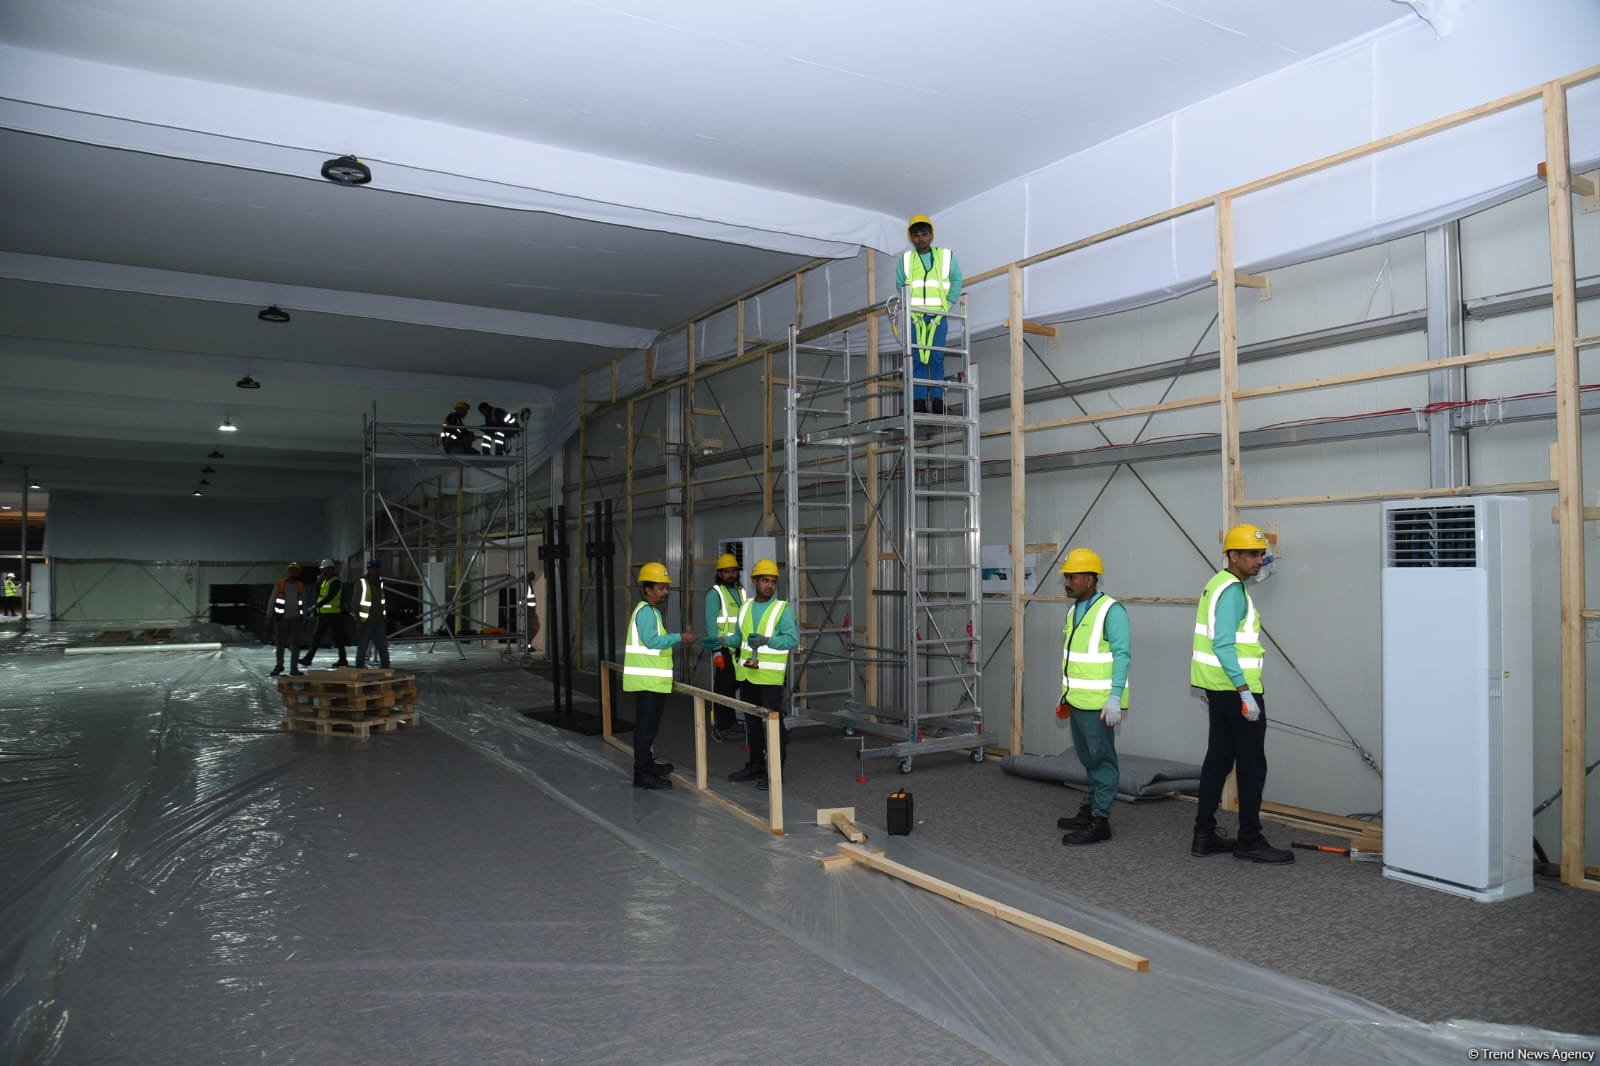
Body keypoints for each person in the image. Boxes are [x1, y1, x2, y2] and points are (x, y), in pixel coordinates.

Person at [1191, 523, 1292, 864]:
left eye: (1262, 554)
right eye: (1252, 554)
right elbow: (1223, 644)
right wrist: (1246, 693)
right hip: (1237, 691)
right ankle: (1249, 839)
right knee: (1251, 766)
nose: (1259, 560)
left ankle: (1204, 835)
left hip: (1219, 689)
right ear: (1233, 556)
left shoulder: (1218, 584)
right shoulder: (1233, 591)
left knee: (1218, 760)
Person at [1052, 548, 1130, 846]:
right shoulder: (1074, 611)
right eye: (1066, 577)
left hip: (1099, 705)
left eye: (1072, 577)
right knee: (1088, 759)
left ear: (1089, 579)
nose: (1067, 583)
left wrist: (1115, 699)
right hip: (1077, 701)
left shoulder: (1112, 611)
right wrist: (1065, 696)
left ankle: (1101, 820)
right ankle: (1091, 808)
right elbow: (1074, 660)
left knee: (1102, 761)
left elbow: (1122, 656)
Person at [622, 562, 696, 790]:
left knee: (649, 728)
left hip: (652, 682)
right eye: (661, 588)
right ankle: (642, 774)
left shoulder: (651, 612)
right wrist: (679, 637)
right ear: (647, 589)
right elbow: (652, 641)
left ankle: (647, 765)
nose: (665, 592)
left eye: (666, 588)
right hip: (648, 683)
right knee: (645, 730)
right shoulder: (646, 612)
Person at [727, 559, 797, 791]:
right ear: (754, 582)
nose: (769, 586)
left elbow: (791, 640)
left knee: (773, 726)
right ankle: (756, 765)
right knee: (752, 724)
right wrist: (721, 641)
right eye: (765, 581)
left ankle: (775, 773)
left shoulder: (782, 609)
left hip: (769, 680)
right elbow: (739, 638)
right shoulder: (746, 607)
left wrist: (767, 640)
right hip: (748, 675)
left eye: (773, 582)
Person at [896, 214, 963, 415]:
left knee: (936, 358)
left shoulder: (945, 256)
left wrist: (948, 303)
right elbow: (900, 285)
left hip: (937, 317)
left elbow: (957, 279)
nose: (920, 238)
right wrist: (910, 308)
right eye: (916, 235)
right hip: (915, 318)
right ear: (911, 238)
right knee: (916, 359)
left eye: (924, 234)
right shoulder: (906, 260)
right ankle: (917, 401)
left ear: (931, 235)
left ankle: (936, 401)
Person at [700, 552, 745, 742]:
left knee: (733, 685)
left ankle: (730, 722)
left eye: (733, 571)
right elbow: (711, 626)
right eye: (726, 572)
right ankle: (722, 727)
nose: (730, 575)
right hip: (723, 648)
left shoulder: (741, 592)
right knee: (724, 687)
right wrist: (716, 651)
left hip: (739, 647)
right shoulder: (715, 594)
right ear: (719, 574)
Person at [300, 559, 350, 668]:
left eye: (325, 569)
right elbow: (318, 596)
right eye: (322, 569)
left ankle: (343, 660)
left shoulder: (336, 582)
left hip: (333, 614)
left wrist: (315, 607)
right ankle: (308, 659)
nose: (323, 571)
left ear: (331, 569)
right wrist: (317, 583)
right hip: (324, 614)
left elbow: (329, 597)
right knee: (316, 637)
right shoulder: (325, 582)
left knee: (337, 638)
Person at [270, 562, 311, 676]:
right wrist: (268, 616)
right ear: (288, 572)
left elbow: (304, 602)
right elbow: (272, 600)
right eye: (291, 570)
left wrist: (305, 617)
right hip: (281, 619)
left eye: (295, 571)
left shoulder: (300, 586)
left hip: (296, 619)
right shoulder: (280, 584)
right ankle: (279, 666)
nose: (293, 572)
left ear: (298, 573)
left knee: (296, 644)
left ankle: (294, 668)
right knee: (280, 644)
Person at [354, 559, 390, 670]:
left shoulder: (380, 582)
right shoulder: (362, 583)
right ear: (369, 570)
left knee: (382, 647)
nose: (375, 571)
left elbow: (382, 601)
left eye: (376, 569)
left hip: (379, 621)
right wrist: (358, 621)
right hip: (366, 622)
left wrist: (384, 618)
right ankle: (359, 668)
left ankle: (385, 668)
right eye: (372, 569)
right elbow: (355, 603)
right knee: (362, 647)